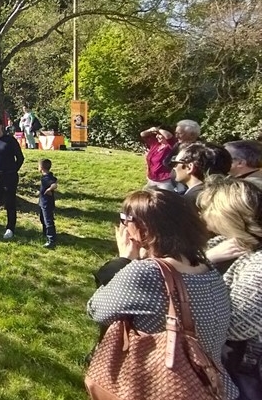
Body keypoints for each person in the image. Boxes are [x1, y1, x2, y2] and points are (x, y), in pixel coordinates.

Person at [87, 188, 238, 400]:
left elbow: (96, 309)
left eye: (125, 219)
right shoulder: (208, 269)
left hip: (163, 386)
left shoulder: (146, 273)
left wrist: (125, 260)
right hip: (214, 386)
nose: (122, 227)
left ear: (143, 228)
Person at [199, 177, 262, 398]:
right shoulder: (223, 243)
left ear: (227, 215)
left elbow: (238, 326)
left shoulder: (258, 265)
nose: (203, 215)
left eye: (208, 209)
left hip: (242, 370)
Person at [166, 119, 202, 193]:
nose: (176, 136)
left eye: (180, 133)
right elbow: (166, 162)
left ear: (192, 134)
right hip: (176, 185)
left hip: (193, 187)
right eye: (176, 133)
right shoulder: (178, 145)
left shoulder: (202, 148)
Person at [140, 126, 176, 190]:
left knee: (163, 199)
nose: (157, 136)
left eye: (159, 135)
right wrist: (150, 130)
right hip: (152, 179)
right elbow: (142, 134)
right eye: (156, 134)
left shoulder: (171, 146)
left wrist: (158, 130)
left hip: (164, 181)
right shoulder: (155, 144)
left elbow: (169, 136)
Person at [38, 159, 58, 249]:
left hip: (47, 204)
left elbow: (54, 184)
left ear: (41, 168)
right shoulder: (48, 175)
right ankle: (45, 233)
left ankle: (51, 240)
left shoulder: (47, 178)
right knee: (43, 219)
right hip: (43, 203)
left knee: (48, 221)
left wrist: (50, 189)